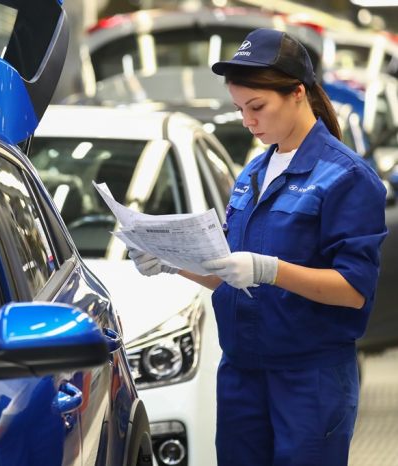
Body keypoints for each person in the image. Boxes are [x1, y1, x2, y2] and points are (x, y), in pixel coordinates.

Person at [128, 28, 388, 466]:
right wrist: (173, 262)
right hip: (241, 374)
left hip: (309, 380)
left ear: (298, 94)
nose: (248, 121)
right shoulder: (253, 173)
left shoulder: (345, 177)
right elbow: (232, 272)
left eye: (257, 107)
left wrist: (272, 270)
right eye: (240, 109)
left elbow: (354, 288)